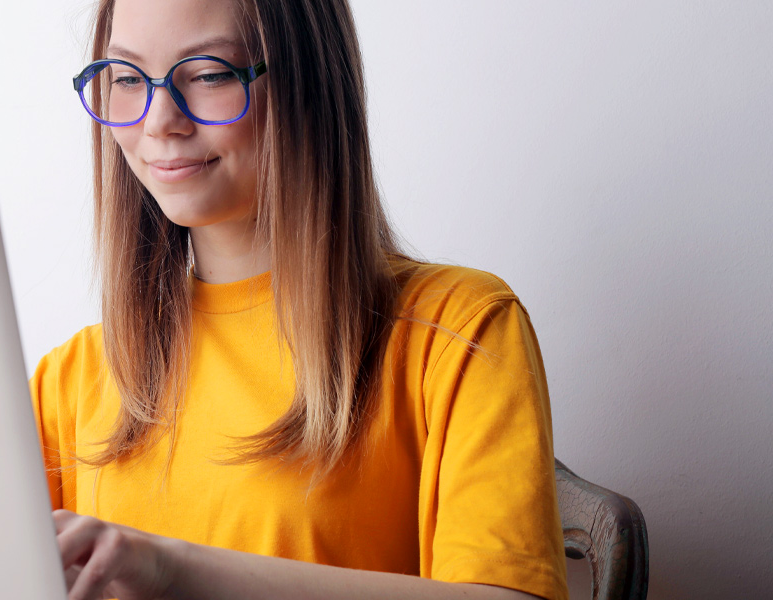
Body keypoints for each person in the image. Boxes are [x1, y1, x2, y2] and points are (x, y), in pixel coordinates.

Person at [28, 0, 568, 599]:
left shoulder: (458, 331)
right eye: (127, 79)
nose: (159, 122)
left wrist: (175, 571)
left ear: (309, 83)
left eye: (209, 74)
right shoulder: (68, 381)